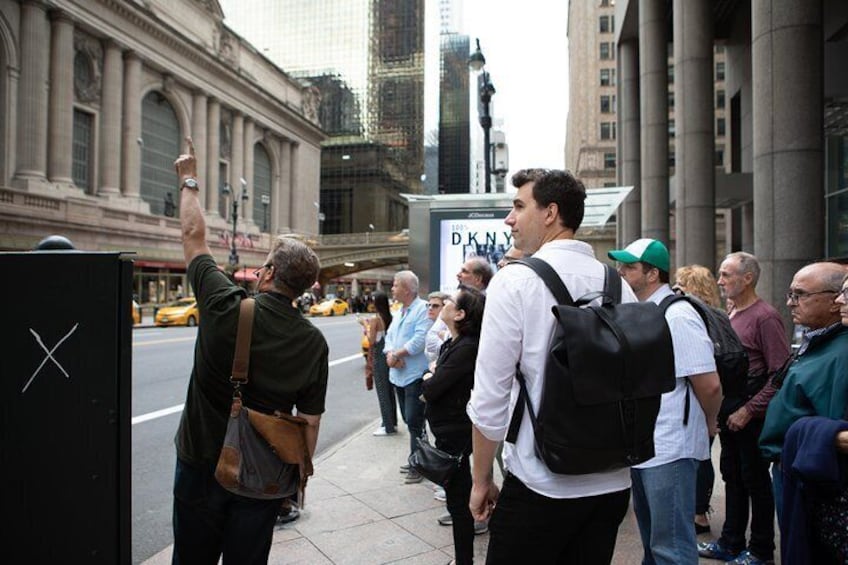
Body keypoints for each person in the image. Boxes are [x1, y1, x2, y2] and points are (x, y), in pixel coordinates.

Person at [171, 138, 329, 564]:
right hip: (263, 475)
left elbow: (193, 235)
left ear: (269, 274)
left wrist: (189, 179)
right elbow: (309, 423)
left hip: (201, 464)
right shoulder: (314, 342)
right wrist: (296, 485)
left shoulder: (224, 305)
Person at [467, 168, 638, 563]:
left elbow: (489, 398)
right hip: (612, 480)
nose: (510, 219)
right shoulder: (618, 285)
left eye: (519, 206)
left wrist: (481, 479)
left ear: (551, 213)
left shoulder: (516, 282)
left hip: (542, 481)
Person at [609, 238, 722, 565]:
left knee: (671, 547)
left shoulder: (679, 314)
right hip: (647, 446)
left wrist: (711, 422)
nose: (621, 272)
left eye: (629, 267)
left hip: (671, 446)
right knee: (654, 543)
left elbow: (709, 385)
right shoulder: (645, 311)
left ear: (652, 274)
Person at [698, 252, 789, 564]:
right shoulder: (733, 311)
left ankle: (762, 550)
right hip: (730, 411)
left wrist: (749, 410)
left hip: (751, 415)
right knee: (732, 476)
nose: (720, 281)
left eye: (726, 274)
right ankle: (731, 542)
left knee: (755, 481)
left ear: (747, 278)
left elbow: (780, 372)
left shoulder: (766, 317)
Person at [759, 262, 848, 522]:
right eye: (790, 294)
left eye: (800, 295)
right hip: (791, 463)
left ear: (834, 302)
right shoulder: (819, 339)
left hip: (810, 471)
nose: (790, 303)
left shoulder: (841, 353)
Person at [422, 285, 487, 565]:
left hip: (456, 433)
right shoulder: (454, 342)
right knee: (455, 497)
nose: (443, 304)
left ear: (460, 314)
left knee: (458, 502)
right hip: (448, 429)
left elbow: (432, 388)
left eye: (449, 302)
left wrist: (428, 378)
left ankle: (465, 561)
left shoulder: (467, 347)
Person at [672, 264, 723, 536]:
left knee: (698, 458)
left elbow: (708, 382)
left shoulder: (687, 316)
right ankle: (700, 510)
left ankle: (698, 513)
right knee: (704, 458)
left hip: (700, 399)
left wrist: (711, 418)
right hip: (712, 398)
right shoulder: (718, 315)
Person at [384, 270, 433, 484]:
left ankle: (419, 464)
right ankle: (420, 458)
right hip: (398, 374)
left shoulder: (422, 309)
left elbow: (419, 340)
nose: (392, 289)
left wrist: (397, 354)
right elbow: (389, 337)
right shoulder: (400, 311)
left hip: (414, 374)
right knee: (409, 419)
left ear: (406, 289)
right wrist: (390, 355)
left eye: (395, 285)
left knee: (415, 420)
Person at [365, 291, 398, 437]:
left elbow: (371, 341)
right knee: (389, 391)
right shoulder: (389, 317)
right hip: (388, 355)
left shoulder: (375, 319)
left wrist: (365, 326)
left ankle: (388, 426)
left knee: (382, 392)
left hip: (379, 356)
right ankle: (391, 422)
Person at [424, 291, 450, 368]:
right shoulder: (429, 324)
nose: (430, 308)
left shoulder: (449, 327)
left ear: (445, 308)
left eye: (435, 306)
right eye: (428, 305)